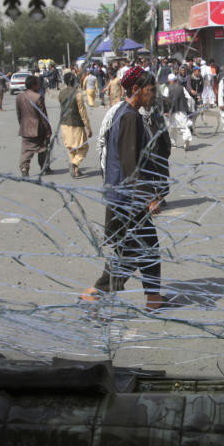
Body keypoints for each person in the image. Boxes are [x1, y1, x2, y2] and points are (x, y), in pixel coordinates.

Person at [82, 67, 165, 311]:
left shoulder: (122, 113)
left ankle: (153, 298)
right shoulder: (130, 117)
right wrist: (148, 197)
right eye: (150, 91)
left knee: (142, 249)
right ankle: (97, 292)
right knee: (133, 252)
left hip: (123, 196)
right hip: (128, 199)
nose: (152, 96)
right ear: (137, 90)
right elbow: (130, 162)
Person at [15, 74, 52, 176]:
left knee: (26, 150)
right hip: (38, 129)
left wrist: (22, 125)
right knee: (43, 148)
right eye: (37, 84)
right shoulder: (38, 97)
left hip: (25, 128)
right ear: (33, 85)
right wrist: (48, 130)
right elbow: (43, 116)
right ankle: (44, 167)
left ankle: (24, 168)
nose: (39, 86)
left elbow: (19, 114)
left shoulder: (19, 97)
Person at [57, 71, 92, 178]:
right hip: (76, 124)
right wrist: (88, 128)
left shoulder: (61, 93)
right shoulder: (78, 94)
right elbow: (82, 113)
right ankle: (74, 164)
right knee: (84, 147)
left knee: (71, 148)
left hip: (64, 124)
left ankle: (75, 171)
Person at [165, 73, 193, 151]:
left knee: (171, 128)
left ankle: (173, 143)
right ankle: (186, 138)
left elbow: (165, 100)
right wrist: (188, 108)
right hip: (182, 111)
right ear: (176, 80)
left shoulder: (167, 89)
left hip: (171, 111)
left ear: (168, 81)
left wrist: (165, 111)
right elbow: (189, 98)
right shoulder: (182, 88)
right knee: (184, 126)